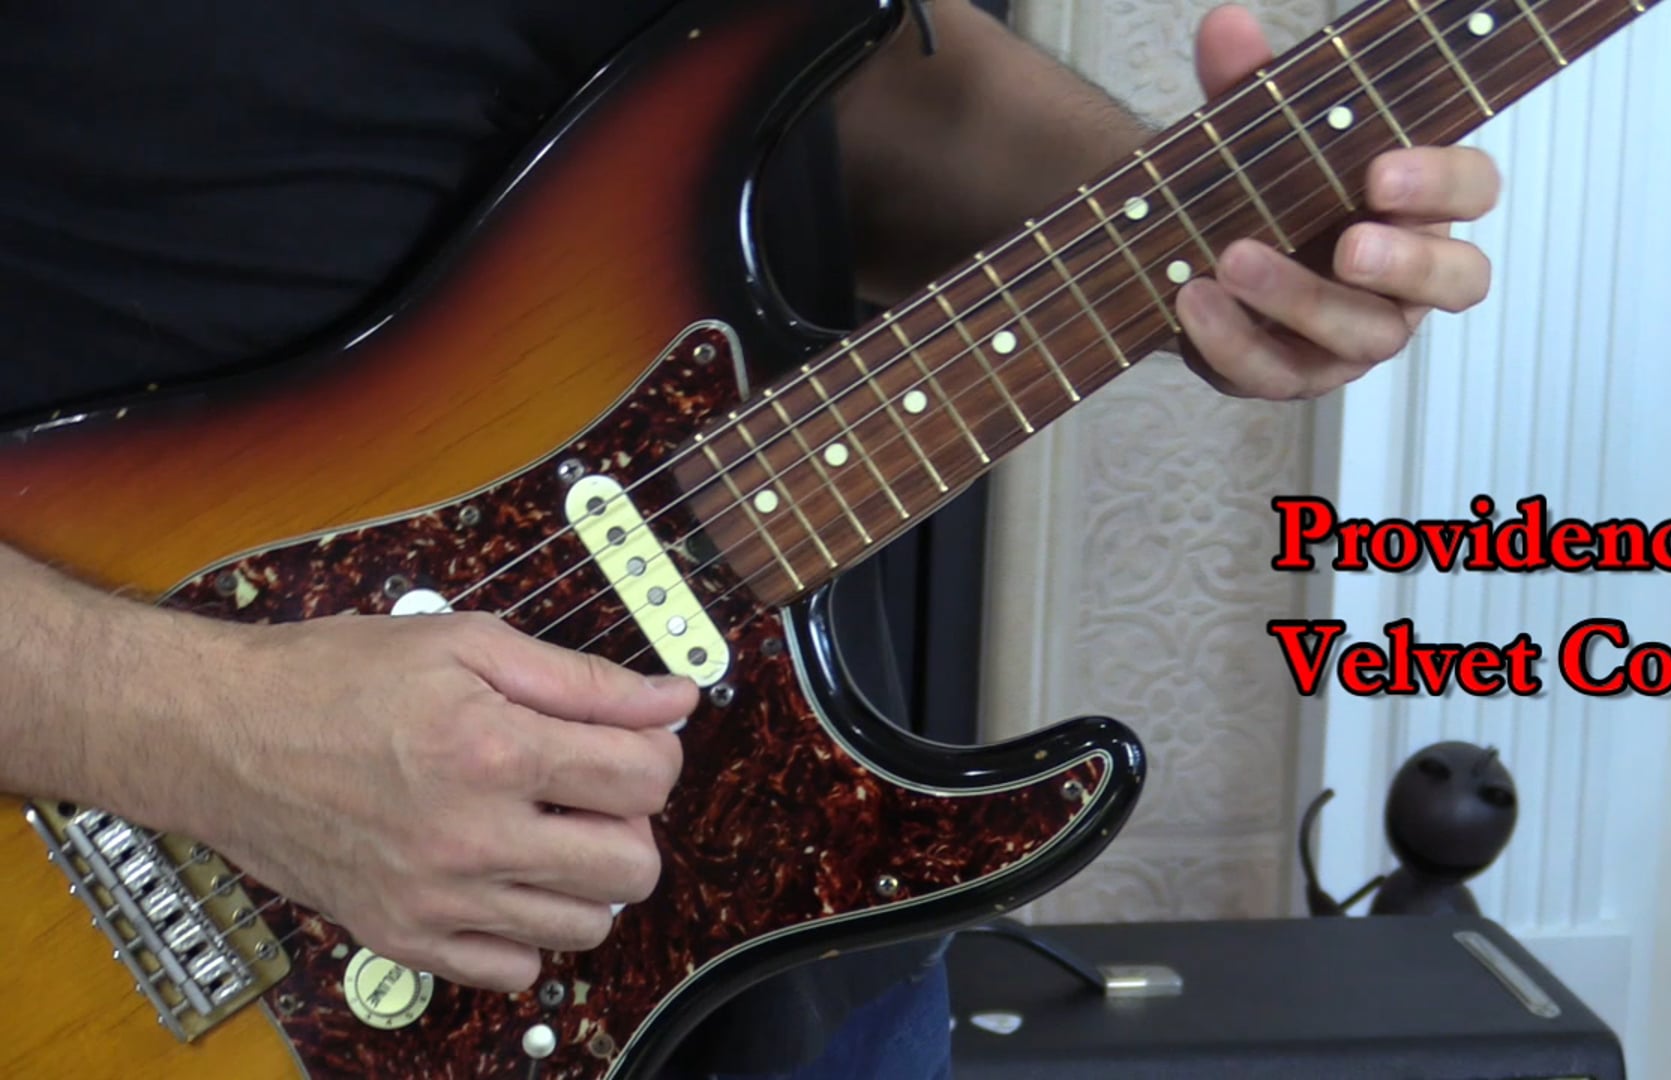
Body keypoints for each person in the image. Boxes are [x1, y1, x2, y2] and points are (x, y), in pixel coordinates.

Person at [0, 3, 1500, 1077]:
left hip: (794, 954)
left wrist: (1199, 225)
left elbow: (863, 86)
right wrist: (199, 734)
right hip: (106, 908)